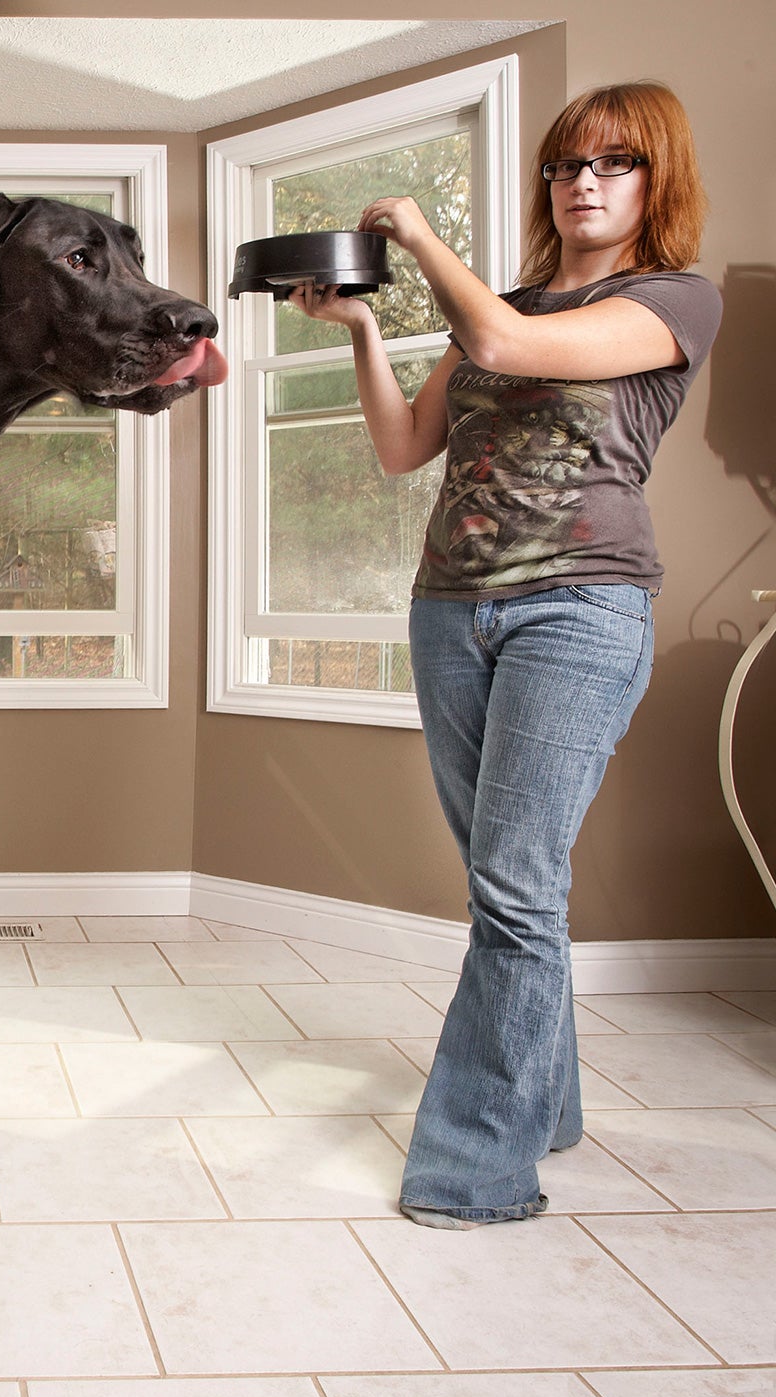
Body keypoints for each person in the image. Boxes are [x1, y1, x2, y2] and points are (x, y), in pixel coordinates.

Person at [288, 81, 721, 1228]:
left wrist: (420, 239)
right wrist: (366, 328)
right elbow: (401, 445)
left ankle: (472, 1171)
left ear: (653, 183)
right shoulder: (509, 299)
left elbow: (501, 340)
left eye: (613, 163)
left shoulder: (674, 299)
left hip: (578, 612)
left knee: (514, 891)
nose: (582, 181)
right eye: (565, 164)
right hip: (450, 610)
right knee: (509, 890)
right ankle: (548, 1104)